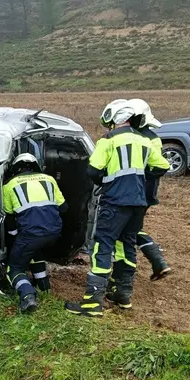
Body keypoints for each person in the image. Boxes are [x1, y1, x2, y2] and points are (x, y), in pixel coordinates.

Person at [64, 101, 170, 317]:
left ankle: (92, 305)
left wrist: (107, 180)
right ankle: (123, 295)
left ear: (114, 121)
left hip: (115, 202)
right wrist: (139, 178)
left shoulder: (108, 141)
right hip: (138, 203)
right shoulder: (144, 139)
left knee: (102, 247)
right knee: (127, 247)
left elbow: (93, 170)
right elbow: (162, 166)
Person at [2, 152, 68, 314]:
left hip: (31, 234)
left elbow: (9, 219)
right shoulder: (49, 179)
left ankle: (27, 296)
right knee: (35, 252)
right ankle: (44, 288)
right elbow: (64, 208)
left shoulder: (9, 185)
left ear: (15, 169)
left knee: (14, 269)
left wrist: (14, 235)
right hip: (54, 233)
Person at [126, 98, 172, 281]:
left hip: (136, 191)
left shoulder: (137, 138)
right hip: (147, 191)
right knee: (134, 227)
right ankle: (158, 261)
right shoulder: (153, 138)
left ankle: (157, 261)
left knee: (129, 229)